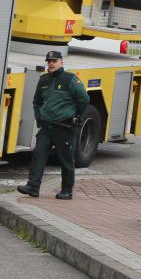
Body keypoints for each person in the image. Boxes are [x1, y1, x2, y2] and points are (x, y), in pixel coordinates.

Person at [17, 50, 89, 200]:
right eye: (49, 61)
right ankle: (33, 187)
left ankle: (67, 190)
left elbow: (84, 99)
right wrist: (39, 118)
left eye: (54, 61)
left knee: (66, 159)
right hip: (47, 126)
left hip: (65, 127)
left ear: (61, 62)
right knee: (38, 155)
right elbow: (37, 101)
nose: (51, 64)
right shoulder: (43, 80)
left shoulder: (70, 79)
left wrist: (76, 115)